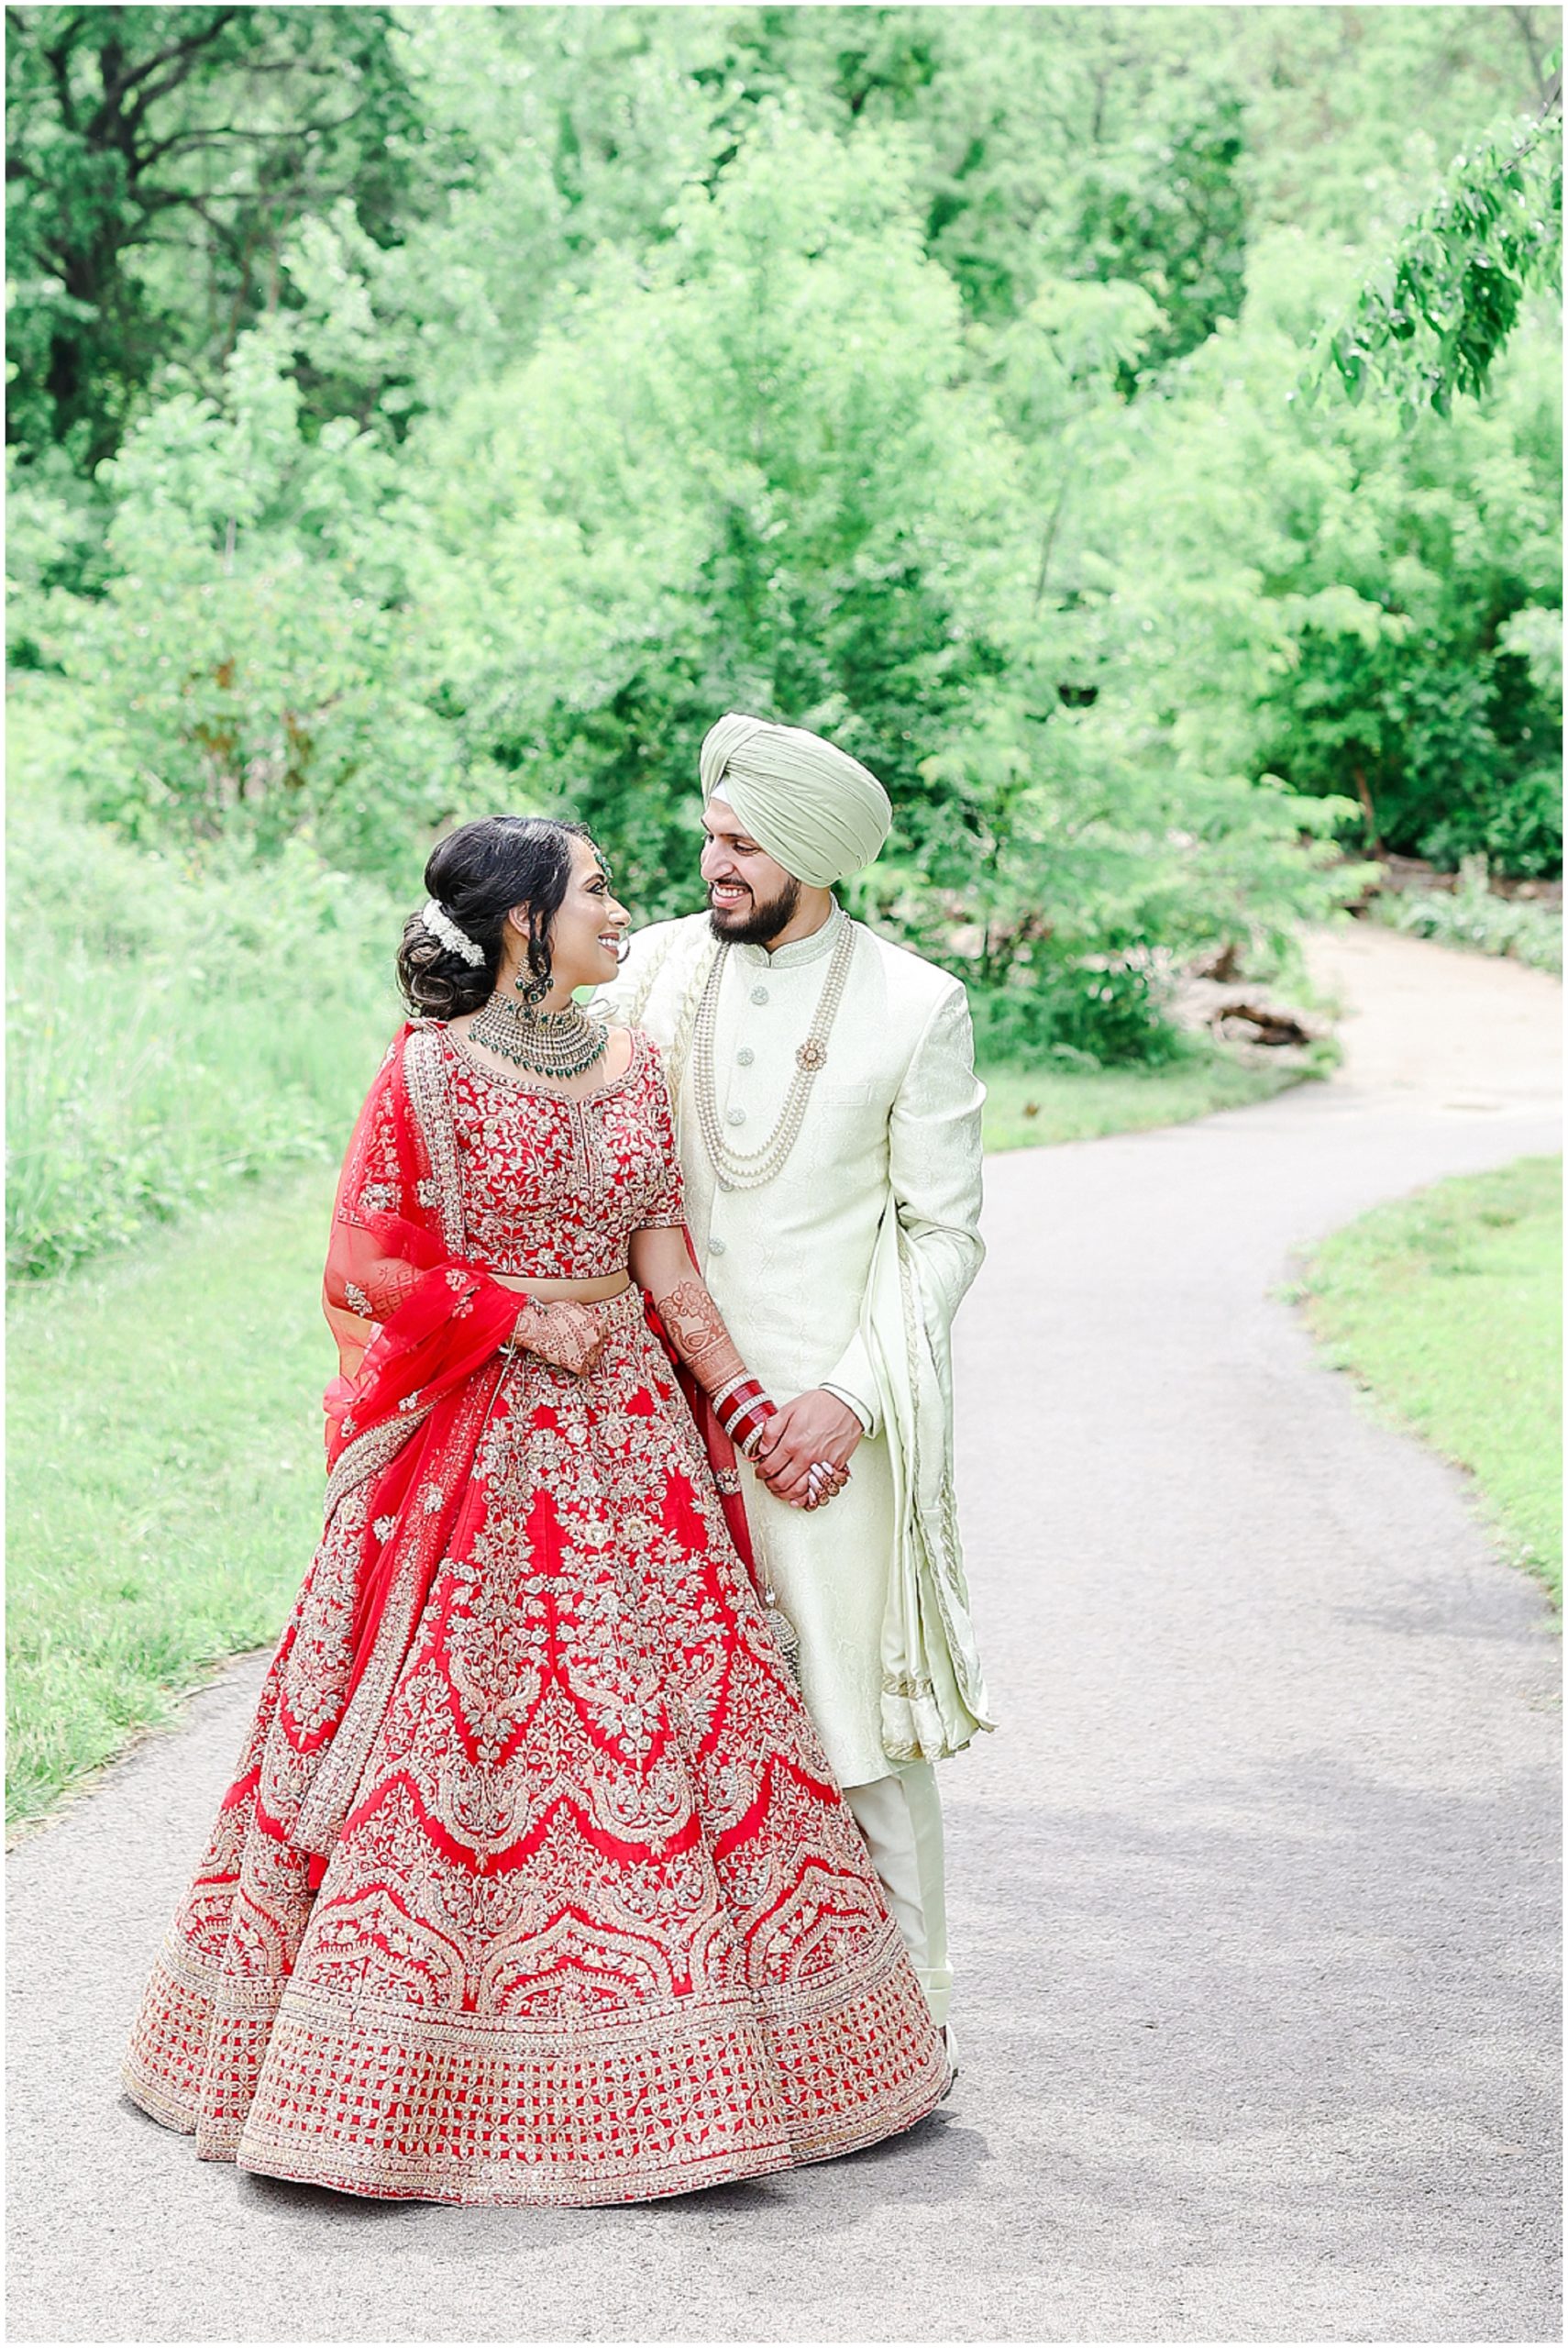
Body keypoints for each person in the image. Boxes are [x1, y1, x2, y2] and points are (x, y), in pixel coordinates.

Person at [121, 814, 950, 2207]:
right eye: (596, 892)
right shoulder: (424, 1074)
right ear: (523, 925)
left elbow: (669, 1273)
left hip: (634, 1448)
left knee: (677, 1722)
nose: (620, 910)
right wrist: (509, 1317)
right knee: (451, 1734)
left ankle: (717, 2065)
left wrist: (751, 1412)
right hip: (475, 1447)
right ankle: (394, 2081)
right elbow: (367, 1261)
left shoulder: (632, 1066)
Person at [592, 713, 993, 2065]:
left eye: (739, 843)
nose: (712, 861)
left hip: (825, 1424)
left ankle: (912, 2024)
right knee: (660, 1719)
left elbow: (942, 1235)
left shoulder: (914, 1004)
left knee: (851, 1725)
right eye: (711, 834)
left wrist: (852, 1398)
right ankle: (706, 2030)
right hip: (650, 1411)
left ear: (810, 855)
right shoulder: (646, 974)